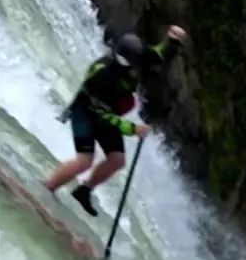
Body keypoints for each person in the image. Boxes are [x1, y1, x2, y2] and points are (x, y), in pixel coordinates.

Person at [43, 25, 188, 217]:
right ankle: (47, 188)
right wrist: (132, 128)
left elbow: (162, 53)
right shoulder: (103, 73)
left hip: (107, 111)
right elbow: (102, 114)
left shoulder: (141, 56)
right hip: (86, 112)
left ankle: (84, 190)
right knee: (84, 161)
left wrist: (173, 40)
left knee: (117, 160)